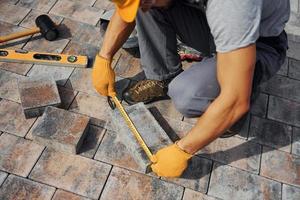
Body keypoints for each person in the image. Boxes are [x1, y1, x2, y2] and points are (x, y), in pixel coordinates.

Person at [92, 0, 290, 177]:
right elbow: (133, 5)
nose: (142, 4)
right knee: (147, 8)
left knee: (186, 94)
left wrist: (183, 150)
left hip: (258, 43)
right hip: (211, 23)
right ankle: (162, 78)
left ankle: (240, 94)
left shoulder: (231, 7)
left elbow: (236, 101)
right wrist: (104, 57)